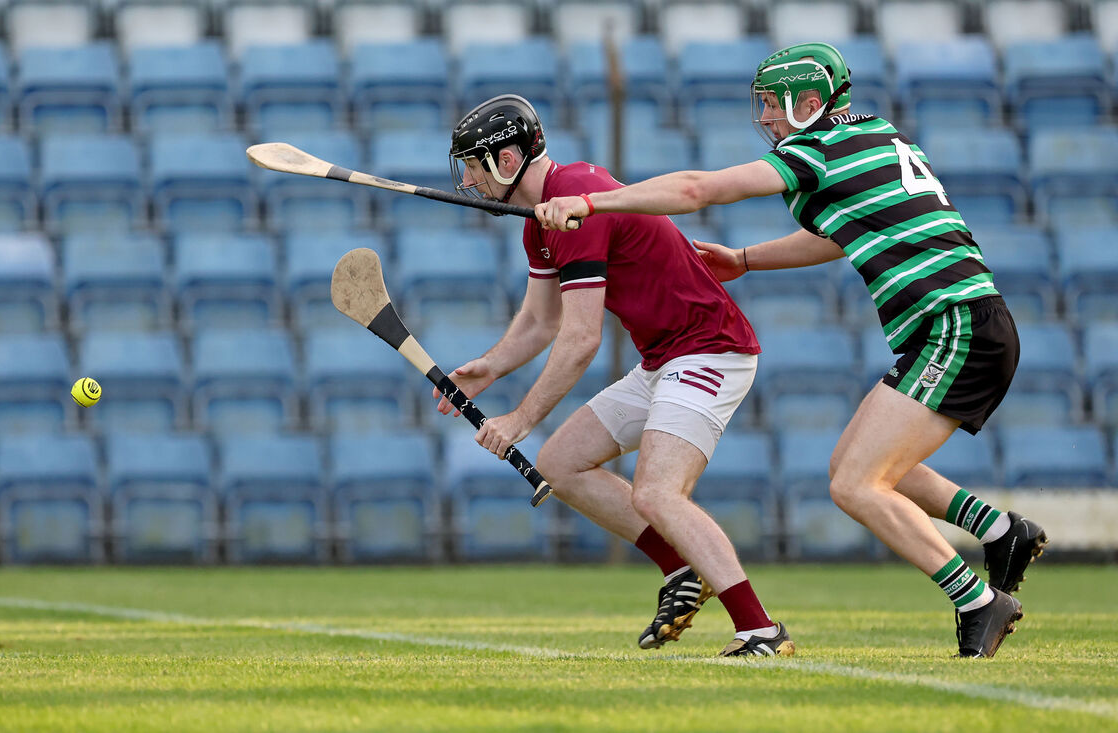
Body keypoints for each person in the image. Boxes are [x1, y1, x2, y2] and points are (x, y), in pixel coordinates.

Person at [535, 42, 1049, 658]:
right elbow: (835, 237)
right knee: (862, 466)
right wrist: (747, 260)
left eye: (772, 106)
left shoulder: (817, 148)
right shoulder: (876, 137)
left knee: (857, 485)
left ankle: (978, 601)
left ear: (810, 102)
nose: (766, 119)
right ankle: (999, 531)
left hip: (954, 324)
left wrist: (591, 202)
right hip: (957, 323)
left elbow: (699, 188)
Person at [436, 93, 794, 657]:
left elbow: (581, 340)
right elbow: (538, 321)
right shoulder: (543, 222)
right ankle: (682, 568)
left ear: (508, 161)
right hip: (663, 359)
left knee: (657, 492)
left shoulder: (576, 199)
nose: (471, 181)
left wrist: (520, 419)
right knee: (561, 464)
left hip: (710, 351)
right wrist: (488, 366)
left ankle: (760, 629)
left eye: (476, 166)